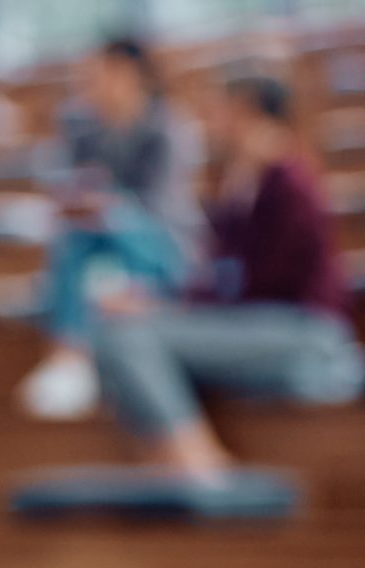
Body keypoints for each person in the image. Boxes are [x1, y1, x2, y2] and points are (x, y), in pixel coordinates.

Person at [92, 73, 362, 482]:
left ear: (244, 112)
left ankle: (198, 464)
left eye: (218, 111)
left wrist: (169, 306)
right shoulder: (242, 183)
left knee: (128, 336)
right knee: (119, 328)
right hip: (255, 326)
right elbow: (222, 280)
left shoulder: (290, 181)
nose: (211, 123)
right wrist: (159, 298)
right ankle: (176, 457)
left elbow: (257, 286)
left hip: (304, 333)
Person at [18, 36, 204, 421]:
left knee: (104, 225)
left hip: (160, 246)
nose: (90, 86)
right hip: (98, 246)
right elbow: (66, 187)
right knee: (76, 236)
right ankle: (70, 351)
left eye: (99, 75)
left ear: (127, 74)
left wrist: (110, 207)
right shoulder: (85, 130)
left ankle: (72, 349)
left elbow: (163, 208)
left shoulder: (167, 128)